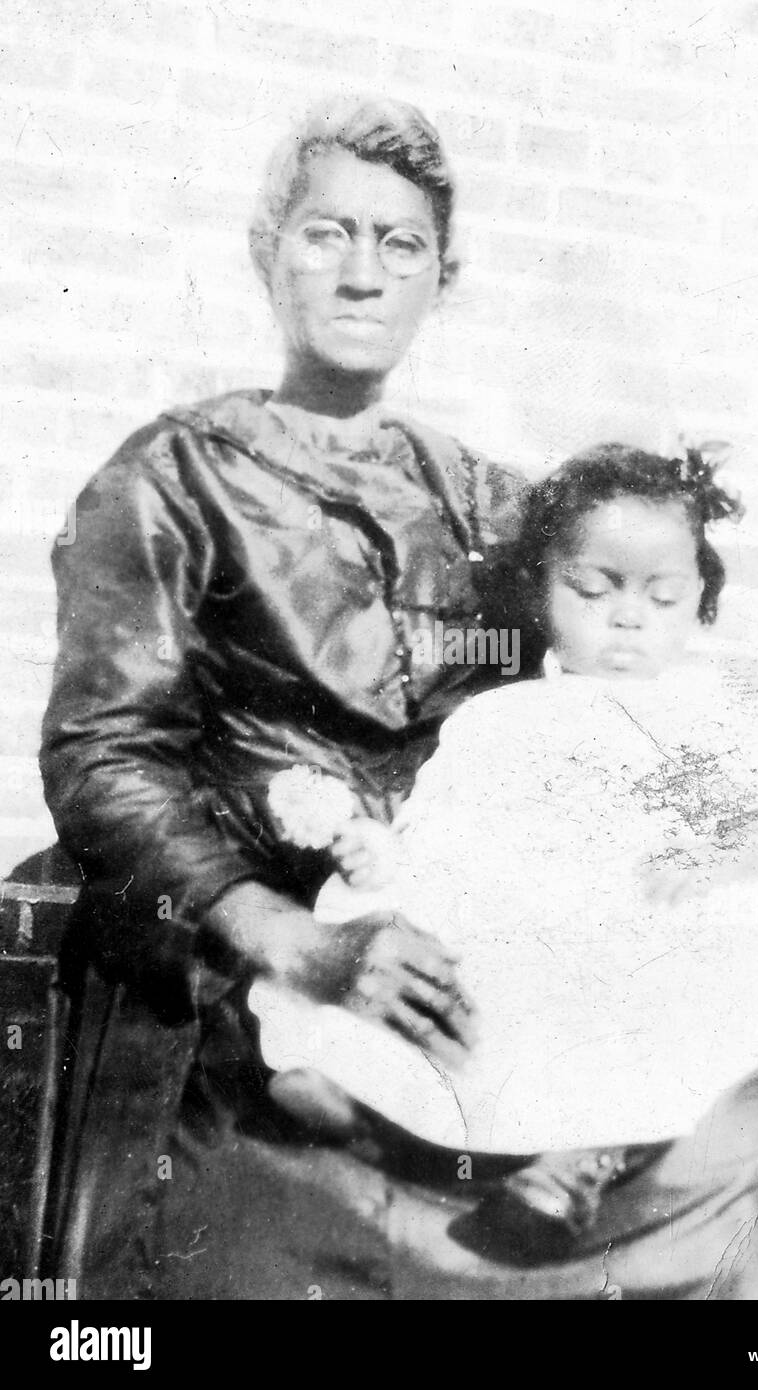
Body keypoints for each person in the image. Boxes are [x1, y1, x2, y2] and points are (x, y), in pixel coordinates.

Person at [38, 96, 528, 1298]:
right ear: (270, 255)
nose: (363, 274)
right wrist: (291, 940)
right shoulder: (172, 477)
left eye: (400, 245)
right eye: (327, 234)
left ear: (440, 281)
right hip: (222, 977)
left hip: (434, 967)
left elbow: (567, 734)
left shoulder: (499, 511)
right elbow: (104, 754)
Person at [249, 445, 758, 1277]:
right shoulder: (500, 719)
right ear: (540, 593)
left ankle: (577, 1162)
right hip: (528, 917)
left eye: (662, 596)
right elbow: (449, 832)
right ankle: (361, 1091)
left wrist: (720, 858)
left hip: (653, 915)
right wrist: (380, 857)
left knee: (673, 984)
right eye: (593, 591)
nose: (627, 618)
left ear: (699, 601)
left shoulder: (708, 713)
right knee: (437, 954)